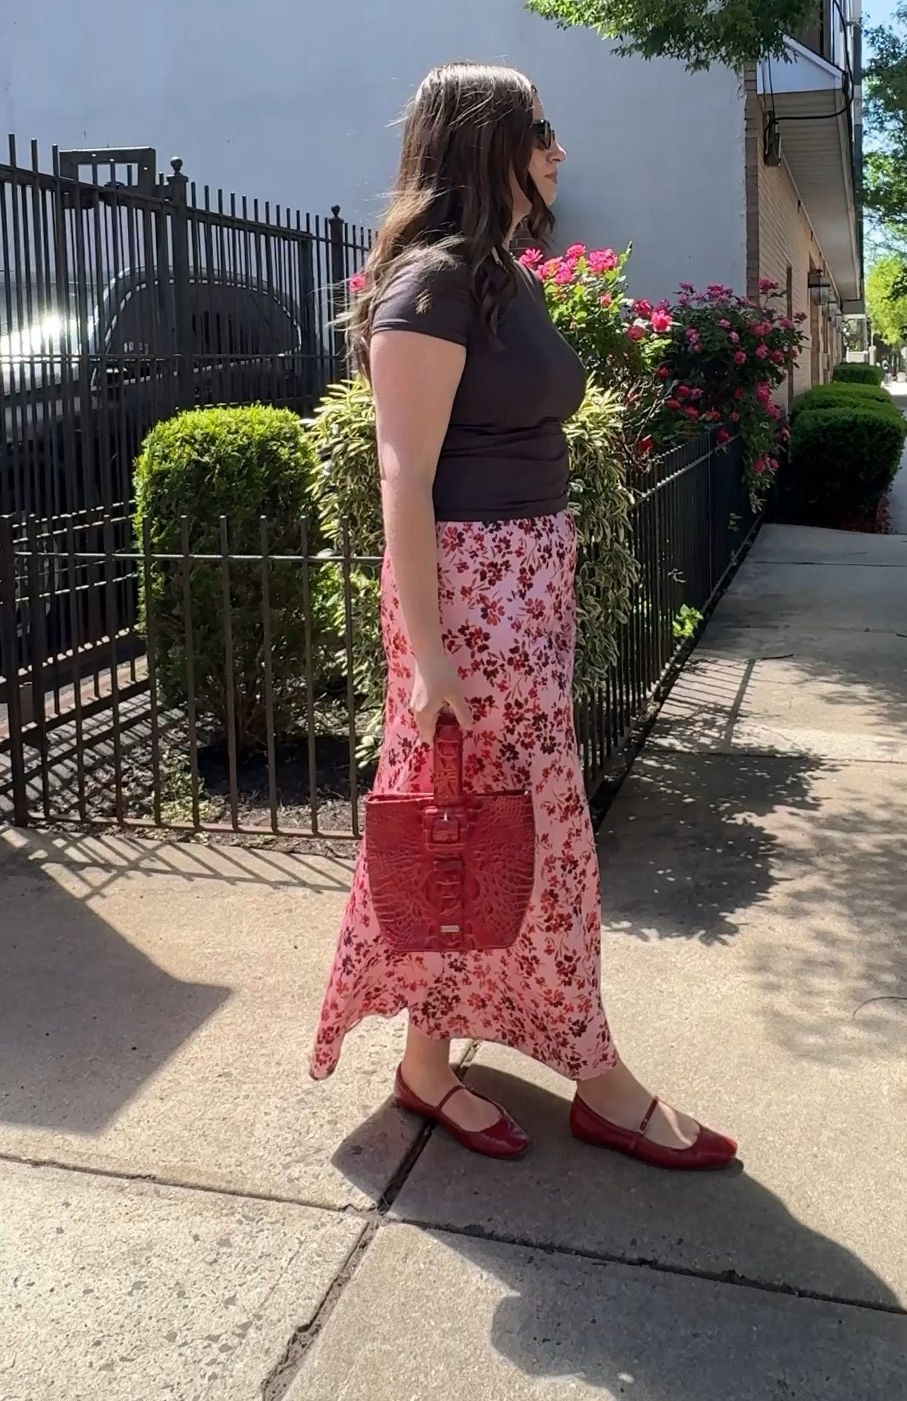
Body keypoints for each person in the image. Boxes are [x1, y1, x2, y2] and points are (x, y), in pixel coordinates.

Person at [309, 62, 736, 1170]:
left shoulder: (503, 277)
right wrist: (429, 656)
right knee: (520, 834)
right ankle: (599, 1077)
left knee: (480, 832)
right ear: (486, 141)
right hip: (473, 603)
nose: (557, 146)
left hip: (527, 591)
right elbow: (402, 475)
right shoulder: (433, 285)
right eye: (539, 127)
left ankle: (425, 1068)